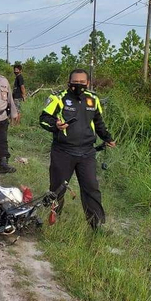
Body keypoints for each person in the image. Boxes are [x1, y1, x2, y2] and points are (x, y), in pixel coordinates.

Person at [39, 69, 116, 230]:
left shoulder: (93, 99)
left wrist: (107, 138)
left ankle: (97, 226)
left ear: (87, 83)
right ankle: (52, 221)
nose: (78, 85)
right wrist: (56, 126)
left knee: (91, 188)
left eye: (82, 82)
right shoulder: (58, 98)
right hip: (63, 151)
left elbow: (99, 122)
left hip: (87, 152)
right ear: (69, 82)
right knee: (57, 189)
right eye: (75, 82)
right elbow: (44, 119)